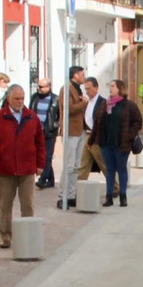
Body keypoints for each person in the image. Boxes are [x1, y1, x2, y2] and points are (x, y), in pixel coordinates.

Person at [0, 83, 47, 249]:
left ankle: (28, 235)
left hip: (27, 169)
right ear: (9, 98)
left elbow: (40, 142)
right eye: (17, 98)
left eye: (22, 98)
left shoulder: (31, 117)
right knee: (5, 205)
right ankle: (5, 237)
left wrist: (40, 164)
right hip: (6, 169)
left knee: (27, 204)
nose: (20, 101)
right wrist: (1, 152)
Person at [90, 79, 143, 207]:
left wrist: (130, 135)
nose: (110, 88)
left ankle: (123, 196)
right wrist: (92, 140)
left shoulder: (129, 105)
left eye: (113, 86)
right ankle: (109, 196)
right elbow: (97, 123)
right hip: (106, 142)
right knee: (110, 170)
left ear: (120, 88)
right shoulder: (104, 104)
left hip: (122, 143)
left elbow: (138, 121)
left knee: (121, 169)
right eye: (110, 86)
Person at [58, 66, 87, 209]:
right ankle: (62, 196)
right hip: (71, 131)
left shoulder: (78, 89)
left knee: (76, 166)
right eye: (82, 74)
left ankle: (72, 195)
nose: (84, 77)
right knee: (69, 166)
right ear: (75, 75)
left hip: (80, 130)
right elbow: (68, 108)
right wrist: (84, 103)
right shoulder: (67, 89)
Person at [73, 77, 106, 195]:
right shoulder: (86, 102)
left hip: (97, 137)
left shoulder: (103, 103)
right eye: (85, 89)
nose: (87, 91)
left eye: (89, 89)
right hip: (86, 135)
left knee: (103, 164)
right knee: (83, 164)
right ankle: (78, 190)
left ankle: (115, 188)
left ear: (96, 87)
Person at [30, 77, 62, 189]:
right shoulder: (34, 97)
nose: (39, 89)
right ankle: (51, 180)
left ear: (49, 87)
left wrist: (56, 125)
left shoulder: (56, 99)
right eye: (38, 86)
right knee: (41, 155)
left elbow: (61, 115)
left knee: (47, 156)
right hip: (36, 131)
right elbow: (30, 111)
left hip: (50, 131)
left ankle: (42, 179)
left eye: (42, 87)